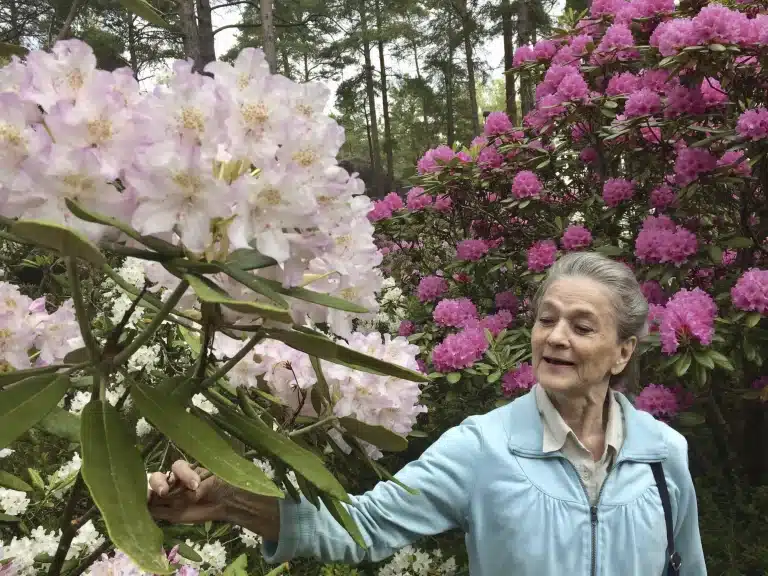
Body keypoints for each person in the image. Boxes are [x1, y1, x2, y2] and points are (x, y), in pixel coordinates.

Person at [148, 251, 707, 575]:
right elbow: (360, 529)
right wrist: (229, 500)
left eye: (582, 327)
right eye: (546, 318)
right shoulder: (483, 448)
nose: (556, 337)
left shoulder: (662, 455)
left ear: (623, 351)